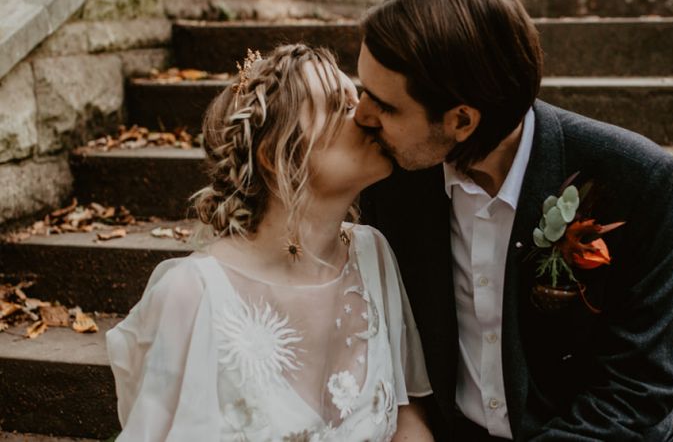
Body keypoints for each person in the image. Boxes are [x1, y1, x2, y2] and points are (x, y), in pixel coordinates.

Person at [355, 0, 673, 441]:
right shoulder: (391, 179)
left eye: (384, 106)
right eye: (361, 90)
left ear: (462, 120)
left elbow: (637, 388)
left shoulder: (634, 180)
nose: (361, 116)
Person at [107, 44, 434, 441]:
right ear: (274, 154)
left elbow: (407, 419)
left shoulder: (373, 254)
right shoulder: (191, 295)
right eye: (338, 106)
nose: (367, 115)